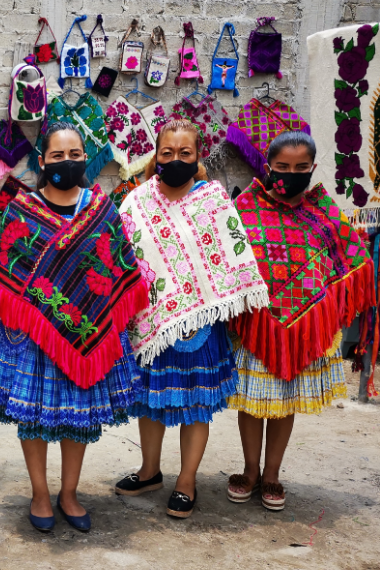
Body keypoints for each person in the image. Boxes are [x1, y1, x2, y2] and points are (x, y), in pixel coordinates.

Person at [0, 122, 148, 533]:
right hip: (33, 338)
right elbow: (2, 266)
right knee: (33, 417)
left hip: (87, 331)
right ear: (43, 161)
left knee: (79, 417)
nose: (66, 163)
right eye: (57, 155)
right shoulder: (23, 209)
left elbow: (120, 264)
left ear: (85, 160)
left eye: (75, 156)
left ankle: (69, 493)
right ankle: (40, 493)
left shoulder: (100, 208)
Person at [114, 120, 269, 518]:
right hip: (153, 324)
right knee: (151, 399)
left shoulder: (213, 199)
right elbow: (125, 259)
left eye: (185, 153)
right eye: (168, 153)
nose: (176, 160)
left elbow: (232, 254)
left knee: (197, 402)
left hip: (202, 322)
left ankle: (186, 480)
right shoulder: (136, 202)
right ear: (156, 155)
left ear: (198, 156)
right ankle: (149, 471)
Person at [226, 131, 375, 511]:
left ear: (312, 168)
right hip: (254, 322)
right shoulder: (245, 207)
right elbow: (224, 258)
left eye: (300, 167)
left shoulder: (324, 212)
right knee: (251, 400)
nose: (290, 174)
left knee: (285, 400)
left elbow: (353, 259)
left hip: (304, 326)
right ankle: (249, 470)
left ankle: (272, 474)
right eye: (282, 167)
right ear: (268, 166)